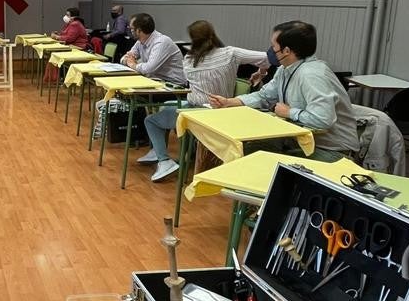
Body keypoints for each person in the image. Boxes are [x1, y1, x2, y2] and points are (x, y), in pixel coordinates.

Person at [208, 21, 360, 161]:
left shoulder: (312, 75)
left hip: (332, 150)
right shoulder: (285, 69)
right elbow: (264, 96)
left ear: (286, 50)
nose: (271, 50)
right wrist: (229, 102)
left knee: (257, 160)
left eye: (273, 46)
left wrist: (289, 112)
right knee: (247, 151)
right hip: (301, 141)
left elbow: (323, 119)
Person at [137, 20, 269, 182]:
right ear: (213, 34)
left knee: (151, 120)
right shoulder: (231, 53)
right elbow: (266, 58)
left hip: (198, 114)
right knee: (167, 107)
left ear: (193, 39)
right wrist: (261, 73)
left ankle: (164, 160)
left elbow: (188, 83)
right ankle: (170, 153)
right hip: (224, 110)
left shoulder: (189, 60)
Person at [93, 13, 186, 138]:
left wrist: (133, 64)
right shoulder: (140, 41)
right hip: (155, 82)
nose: (129, 30)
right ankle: (138, 134)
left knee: (132, 97)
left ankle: (140, 134)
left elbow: (148, 68)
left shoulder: (161, 42)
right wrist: (131, 62)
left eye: (131, 29)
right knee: (124, 94)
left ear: (139, 30)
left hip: (173, 87)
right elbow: (123, 59)